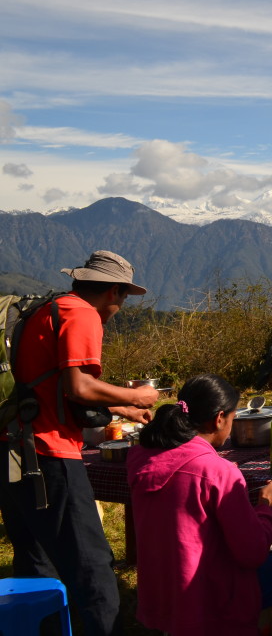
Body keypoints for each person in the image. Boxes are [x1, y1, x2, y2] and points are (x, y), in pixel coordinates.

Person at [0, 250, 158, 636]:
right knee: (93, 565)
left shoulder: (48, 309)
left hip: (12, 451)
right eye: (122, 298)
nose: (119, 307)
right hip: (49, 457)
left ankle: (42, 628)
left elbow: (52, 385)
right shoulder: (83, 314)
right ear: (114, 292)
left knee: (36, 558)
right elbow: (78, 386)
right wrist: (137, 397)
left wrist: (122, 408)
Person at [127, 374, 272, 636]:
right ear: (219, 419)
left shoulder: (140, 457)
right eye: (233, 419)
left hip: (162, 598)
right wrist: (264, 506)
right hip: (212, 601)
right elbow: (252, 553)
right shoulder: (217, 471)